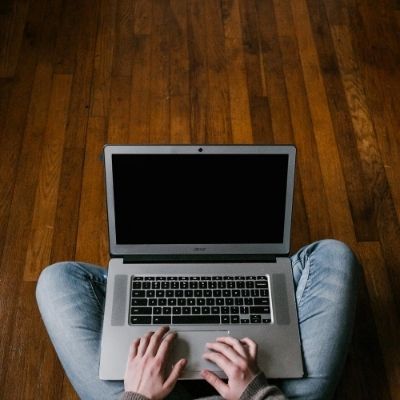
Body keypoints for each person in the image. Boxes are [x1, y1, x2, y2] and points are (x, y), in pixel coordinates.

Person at [36, 240, 360, 400]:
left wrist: (136, 396)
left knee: (57, 279)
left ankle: (143, 276)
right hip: (265, 393)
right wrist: (256, 392)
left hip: (148, 396)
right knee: (333, 254)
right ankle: (256, 271)